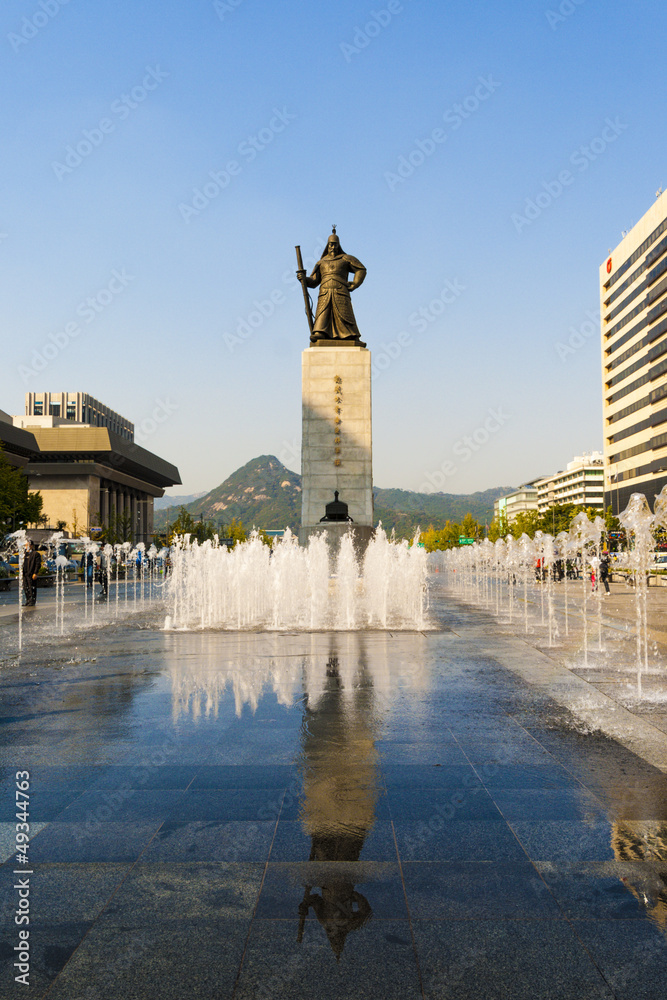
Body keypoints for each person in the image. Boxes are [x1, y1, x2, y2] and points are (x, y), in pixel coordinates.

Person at [296, 229, 367, 345]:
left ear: (339, 245)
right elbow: (314, 281)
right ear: (327, 245)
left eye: (335, 245)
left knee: (345, 315)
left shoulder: (345, 258)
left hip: (340, 291)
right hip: (324, 292)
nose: (333, 247)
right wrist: (304, 279)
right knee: (323, 313)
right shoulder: (322, 262)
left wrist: (354, 284)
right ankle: (320, 331)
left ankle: (349, 335)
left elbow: (361, 269)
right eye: (331, 244)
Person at [22, 539, 41, 607]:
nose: (26, 546)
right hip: (25, 573)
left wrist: (35, 573)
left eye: (27, 545)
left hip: (31, 573)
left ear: (31, 546)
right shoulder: (24, 554)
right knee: (25, 587)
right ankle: (28, 600)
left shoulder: (35, 554)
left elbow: (38, 564)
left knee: (31, 587)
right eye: (25, 545)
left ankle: (32, 601)